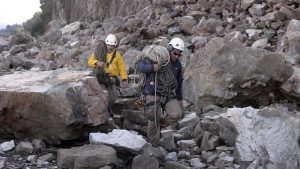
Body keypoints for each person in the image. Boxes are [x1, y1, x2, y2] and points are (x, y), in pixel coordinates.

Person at [136, 37, 185, 146]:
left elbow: (179, 82)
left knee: (177, 114)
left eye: (179, 55)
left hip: (168, 94)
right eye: (175, 53)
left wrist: (180, 99)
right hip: (152, 91)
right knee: (153, 117)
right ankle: (154, 144)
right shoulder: (157, 57)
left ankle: (160, 123)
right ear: (170, 49)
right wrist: (152, 68)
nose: (176, 57)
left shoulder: (178, 65)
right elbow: (139, 65)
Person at [88, 34, 128, 109]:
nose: (110, 47)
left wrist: (124, 79)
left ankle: (109, 110)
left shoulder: (117, 55)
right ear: (106, 44)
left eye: (112, 45)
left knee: (113, 98)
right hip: (102, 78)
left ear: (115, 46)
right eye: (108, 45)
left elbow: (121, 68)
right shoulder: (99, 52)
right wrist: (97, 63)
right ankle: (106, 112)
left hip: (112, 79)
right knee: (103, 96)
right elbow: (90, 61)